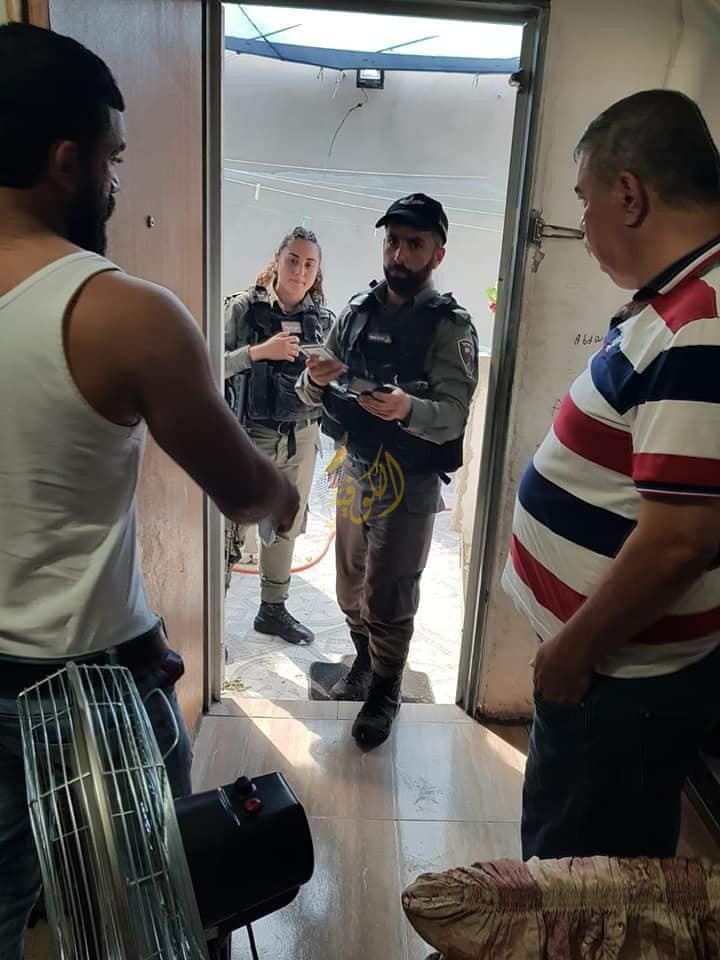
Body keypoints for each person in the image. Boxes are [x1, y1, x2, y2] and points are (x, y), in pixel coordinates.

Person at [0, 23, 298, 960]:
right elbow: (241, 491)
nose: (117, 182)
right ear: (67, 161)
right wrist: (282, 495)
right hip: (87, 697)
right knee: (145, 924)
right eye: (114, 159)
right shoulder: (122, 313)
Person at [503, 90, 720, 861]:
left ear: (629, 196)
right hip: (613, 666)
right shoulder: (682, 300)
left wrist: (574, 651)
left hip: (615, 675)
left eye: (584, 199)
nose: (584, 222)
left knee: (579, 881)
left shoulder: (701, 323)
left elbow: (681, 541)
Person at [297, 194, 478, 748]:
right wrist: (317, 380)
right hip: (355, 468)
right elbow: (310, 389)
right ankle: (363, 659)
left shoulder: (449, 327)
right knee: (349, 584)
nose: (399, 254)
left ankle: (385, 689)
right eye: (392, 241)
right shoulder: (356, 313)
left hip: (409, 480)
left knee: (390, 593)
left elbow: (453, 415)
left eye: (414, 244)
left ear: (437, 254)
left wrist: (406, 409)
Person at [224, 227, 334, 644]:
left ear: (317, 270)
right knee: (230, 528)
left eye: (309, 264)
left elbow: (337, 382)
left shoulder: (324, 321)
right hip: (249, 435)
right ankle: (212, 620)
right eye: (293, 260)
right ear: (278, 259)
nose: (300, 271)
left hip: (302, 437)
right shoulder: (242, 309)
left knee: (285, 524)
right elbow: (208, 363)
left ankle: (272, 609)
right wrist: (258, 352)